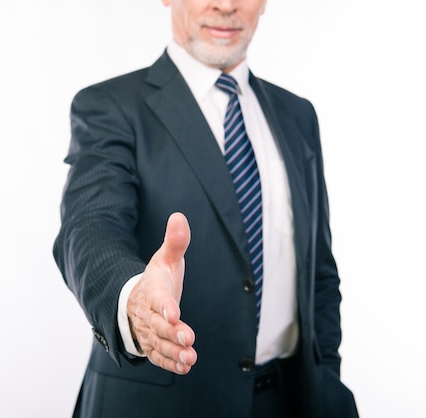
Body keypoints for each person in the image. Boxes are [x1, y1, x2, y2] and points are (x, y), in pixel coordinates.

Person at [53, 0, 358, 417]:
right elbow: (88, 228)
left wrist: (328, 381)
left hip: (291, 402)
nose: (226, 5)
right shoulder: (111, 107)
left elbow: (318, 271)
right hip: (162, 404)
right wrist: (134, 301)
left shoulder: (297, 116)